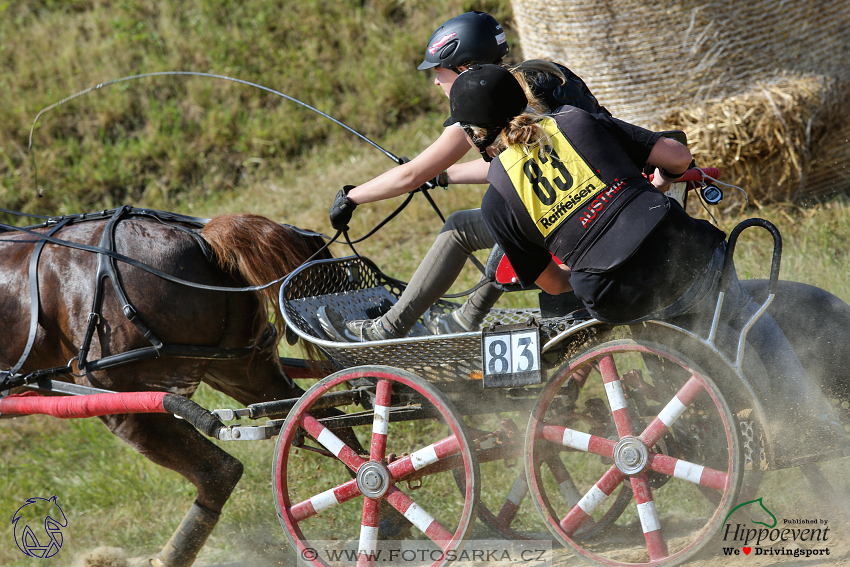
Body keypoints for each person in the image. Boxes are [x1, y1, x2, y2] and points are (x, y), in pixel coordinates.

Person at [450, 63, 844, 447]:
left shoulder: (497, 201)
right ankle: (809, 420)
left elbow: (553, 284)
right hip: (688, 257)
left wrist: (596, 261)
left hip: (619, 297)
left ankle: (725, 424)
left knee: (663, 325)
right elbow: (676, 157)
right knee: (742, 317)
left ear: (475, 134)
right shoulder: (575, 120)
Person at [319, 11, 606, 342]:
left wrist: (351, 197)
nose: (436, 81)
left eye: (438, 72)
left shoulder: (483, 105)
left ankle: (384, 330)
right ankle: (464, 319)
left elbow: (410, 175)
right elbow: (521, 163)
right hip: (599, 201)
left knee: (460, 229)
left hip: (568, 216)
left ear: (464, 67)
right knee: (510, 216)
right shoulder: (544, 75)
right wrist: (445, 176)